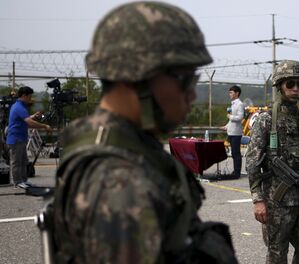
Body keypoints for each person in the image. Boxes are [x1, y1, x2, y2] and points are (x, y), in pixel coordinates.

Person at [51, 2, 237, 263]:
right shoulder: (119, 182)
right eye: (185, 81)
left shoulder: (117, 145)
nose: (192, 94)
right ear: (137, 79)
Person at [246, 60, 299, 264]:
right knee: (277, 253)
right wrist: (258, 200)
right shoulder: (266, 121)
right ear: (280, 86)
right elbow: (252, 162)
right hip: (277, 202)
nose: (296, 88)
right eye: (290, 83)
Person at [7, 86, 51, 189]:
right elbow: (29, 123)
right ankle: (17, 182)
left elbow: (25, 119)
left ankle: (23, 181)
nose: (30, 99)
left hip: (20, 138)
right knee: (16, 162)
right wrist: (44, 126)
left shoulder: (19, 106)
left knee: (23, 162)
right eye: (29, 96)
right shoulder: (19, 107)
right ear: (23, 96)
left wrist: (33, 116)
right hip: (16, 138)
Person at [221, 85, 244, 178]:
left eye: (231, 92)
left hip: (236, 133)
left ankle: (237, 173)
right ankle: (235, 171)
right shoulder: (233, 103)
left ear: (237, 93)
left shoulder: (240, 104)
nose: (229, 94)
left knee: (236, 153)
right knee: (233, 153)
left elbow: (240, 117)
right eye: (229, 92)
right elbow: (231, 120)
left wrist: (230, 116)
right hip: (231, 132)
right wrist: (226, 126)